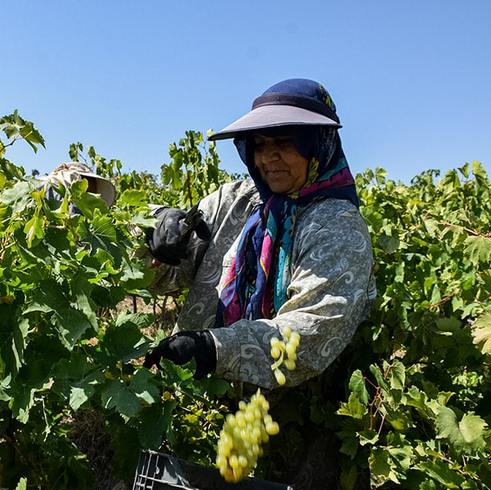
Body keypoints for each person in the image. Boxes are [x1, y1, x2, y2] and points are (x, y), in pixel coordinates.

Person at [144, 78, 376, 390]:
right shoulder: (235, 200)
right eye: (261, 145)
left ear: (318, 144)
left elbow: (313, 330)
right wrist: (155, 237)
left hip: (288, 416)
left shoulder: (337, 224)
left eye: (284, 143)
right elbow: (167, 280)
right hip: (200, 396)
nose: (268, 158)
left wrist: (211, 348)